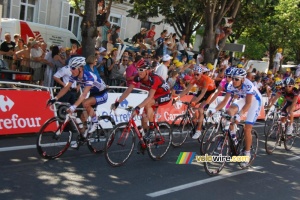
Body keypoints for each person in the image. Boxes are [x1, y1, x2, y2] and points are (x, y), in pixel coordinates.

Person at [47, 57, 108, 146]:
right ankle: (83, 138)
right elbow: (66, 88)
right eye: (70, 68)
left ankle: (95, 122)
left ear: (80, 68)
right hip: (93, 94)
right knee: (82, 118)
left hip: (102, 94)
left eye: (73, 68)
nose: (71, 70)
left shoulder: (89, 77)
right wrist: (55, 98)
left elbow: (83, 95)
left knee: (85, 103)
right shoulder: (74, 76)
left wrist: (73, 106)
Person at [209, 68, 262, 167]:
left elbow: (248, 104)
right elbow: (225, 102)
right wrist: (214, 110)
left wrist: (239, 114)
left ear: (242, 79)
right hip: (243, 99)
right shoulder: (230, 85)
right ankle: (233, 136)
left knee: (247, 129)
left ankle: (247, 154)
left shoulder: (248, 85)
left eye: (236, 79)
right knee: (229, 112)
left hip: (254, 102)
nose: (234, 81)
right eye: (233, 78)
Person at [111, 62, 171, 140]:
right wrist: (118, 102)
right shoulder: (138, 77)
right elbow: (128, 90)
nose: (139, 72)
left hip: (165, 94)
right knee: (143, 119)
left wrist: (138, 108)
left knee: (147, 104)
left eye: (141, 70)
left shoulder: (154, 79)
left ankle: (152, 129)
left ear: (147, 71)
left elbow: (150, 97)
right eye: (138, 70)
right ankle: (146, 140)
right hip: (155, 94)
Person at [176, 65, 216, 139]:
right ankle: (196, 120)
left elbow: (203, 93)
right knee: (190, 105)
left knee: (200, 108)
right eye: (194, 74)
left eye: (197, 74)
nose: (196, 76)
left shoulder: (205, 79)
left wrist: (195, 102)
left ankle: (198, 130)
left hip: (209, 91)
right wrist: (177, 97)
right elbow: (186, 90)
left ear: (201, 74)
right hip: (202, 90)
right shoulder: (194, 79)